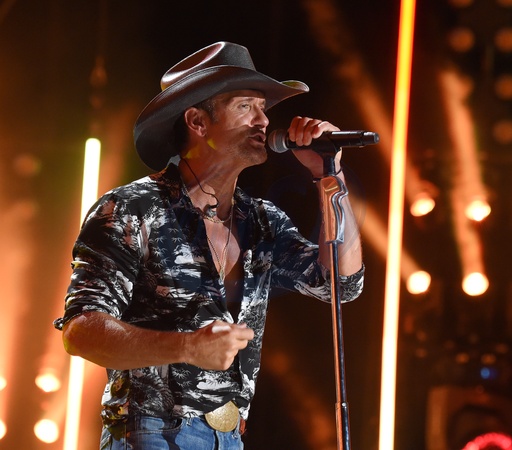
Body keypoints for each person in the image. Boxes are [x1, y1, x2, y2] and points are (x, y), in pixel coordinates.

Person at [54, 41, 364, 450]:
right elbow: (81, 331)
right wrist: (187, 346)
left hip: (230, 437)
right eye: (245, 106)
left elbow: (342, 284)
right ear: (198, 122)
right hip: (151, 431)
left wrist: (329, 173)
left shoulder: (261, 220)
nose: (263, 120)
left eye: (263, 108)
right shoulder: (131, 209)